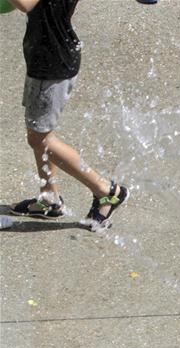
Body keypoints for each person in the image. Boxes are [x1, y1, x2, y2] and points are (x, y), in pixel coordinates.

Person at [6, 0, 128, 231]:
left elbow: (24, 3)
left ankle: (106, 191)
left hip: (51, 64)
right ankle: (49, 198)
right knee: (40, 132)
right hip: (47, 57)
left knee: (39, 138)